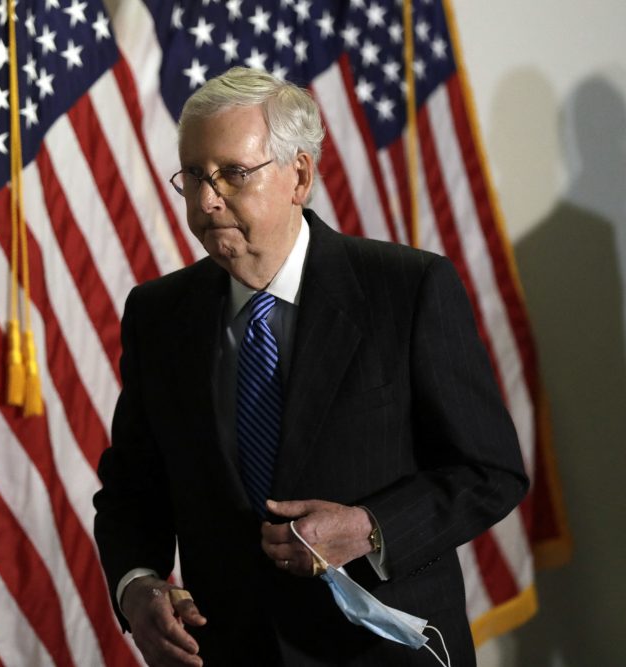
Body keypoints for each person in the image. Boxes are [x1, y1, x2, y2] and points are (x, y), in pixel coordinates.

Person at [93, 67, 527, 666]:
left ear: (299, 175)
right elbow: (132, 491)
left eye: (232, 174)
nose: (206, 199)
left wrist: (371, 528)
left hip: (379, 652)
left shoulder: (408, 290)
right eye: (193, 175)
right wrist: (136, 586)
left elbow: (490, 471)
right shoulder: (159, 315)